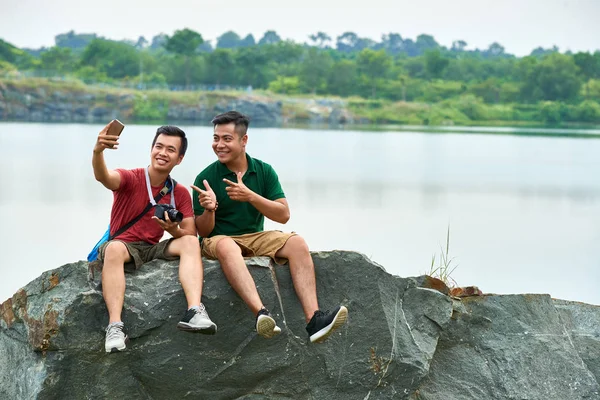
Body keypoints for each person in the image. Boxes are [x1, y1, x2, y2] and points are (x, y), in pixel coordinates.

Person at [191, 111, 348, 343]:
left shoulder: (263, 171)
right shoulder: (205, 177)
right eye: (216, 138)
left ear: (243, 141)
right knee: (226, 246)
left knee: (297, 243)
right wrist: (209, 209)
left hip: (255, 236)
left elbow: (283, 215)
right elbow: (203, 232)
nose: (219, 145)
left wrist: (250, 196)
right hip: (219, 239)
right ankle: (261, 314)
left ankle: (314, 320)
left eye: (226, 139)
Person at [92, 123, 217, 353]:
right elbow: (104, 177)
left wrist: (173, 231)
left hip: (151, 248)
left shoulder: (178, 192)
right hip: (122, 245)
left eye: (171, 150)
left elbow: (190, 233)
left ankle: (194, 311)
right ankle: (115, 327)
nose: (163, 153)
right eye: (159, 146)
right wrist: (98, 151)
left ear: (179, 159)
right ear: (151, 149)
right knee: (114, 250)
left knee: (190, 242)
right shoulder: (131, 178)